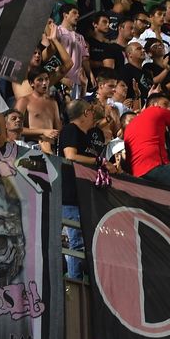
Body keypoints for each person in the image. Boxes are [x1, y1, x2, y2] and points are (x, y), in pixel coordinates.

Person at [58, 101, 99, 280]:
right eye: (91, 111)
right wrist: (98, 163)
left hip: (84, 195)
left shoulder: (87, 136)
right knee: (76, 243)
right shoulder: (70, 130)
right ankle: (74, 285)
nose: (93, 115)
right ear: (85, 113)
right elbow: (71, 156)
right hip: (71, 195)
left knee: (85, 243)